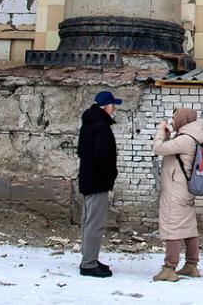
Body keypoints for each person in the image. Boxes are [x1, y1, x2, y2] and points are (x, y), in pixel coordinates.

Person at [151, 107, 203, 282]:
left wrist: (160, 131)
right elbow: (172, 152)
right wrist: (169, 137)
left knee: (172, 228)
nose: (172, 121)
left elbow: (158, 148)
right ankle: (191, 265)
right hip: (185, 190)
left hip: (175, 191)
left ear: (183, 120)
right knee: (189, 228)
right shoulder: (193, 137)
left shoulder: (185, 139)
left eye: (175, 117)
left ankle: (169, 268)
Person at [76, 91, 122, 278]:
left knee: (88, 221)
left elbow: (81, 152)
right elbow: (103, 157)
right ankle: (89, 264)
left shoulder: (88, 125)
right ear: (106, 107)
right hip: (98, 182)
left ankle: (89, 258)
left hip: (87, 179)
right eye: (113, 105)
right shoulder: (102, 128)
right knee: (95, 224)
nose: (114, 109)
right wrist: (111, 175)